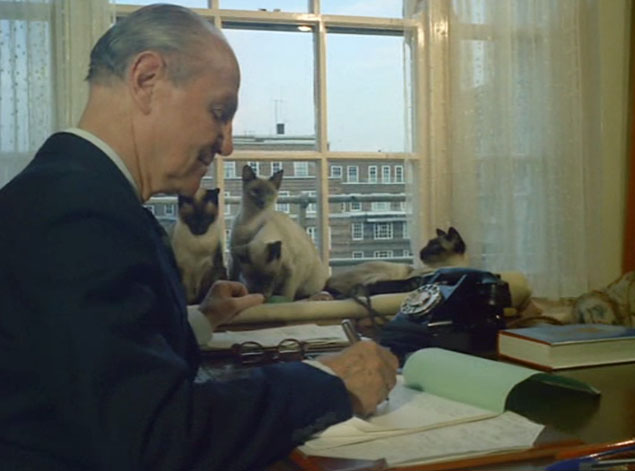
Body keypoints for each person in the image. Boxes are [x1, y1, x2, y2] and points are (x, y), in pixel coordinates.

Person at [0, 4, 398, 471]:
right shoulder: (77, 216)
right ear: (146, 79)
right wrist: (329, 383)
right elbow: (157, 438)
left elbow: (92, 366)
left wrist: (200, 321)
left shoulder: (75, 193)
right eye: (219, 112)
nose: (227, 143)